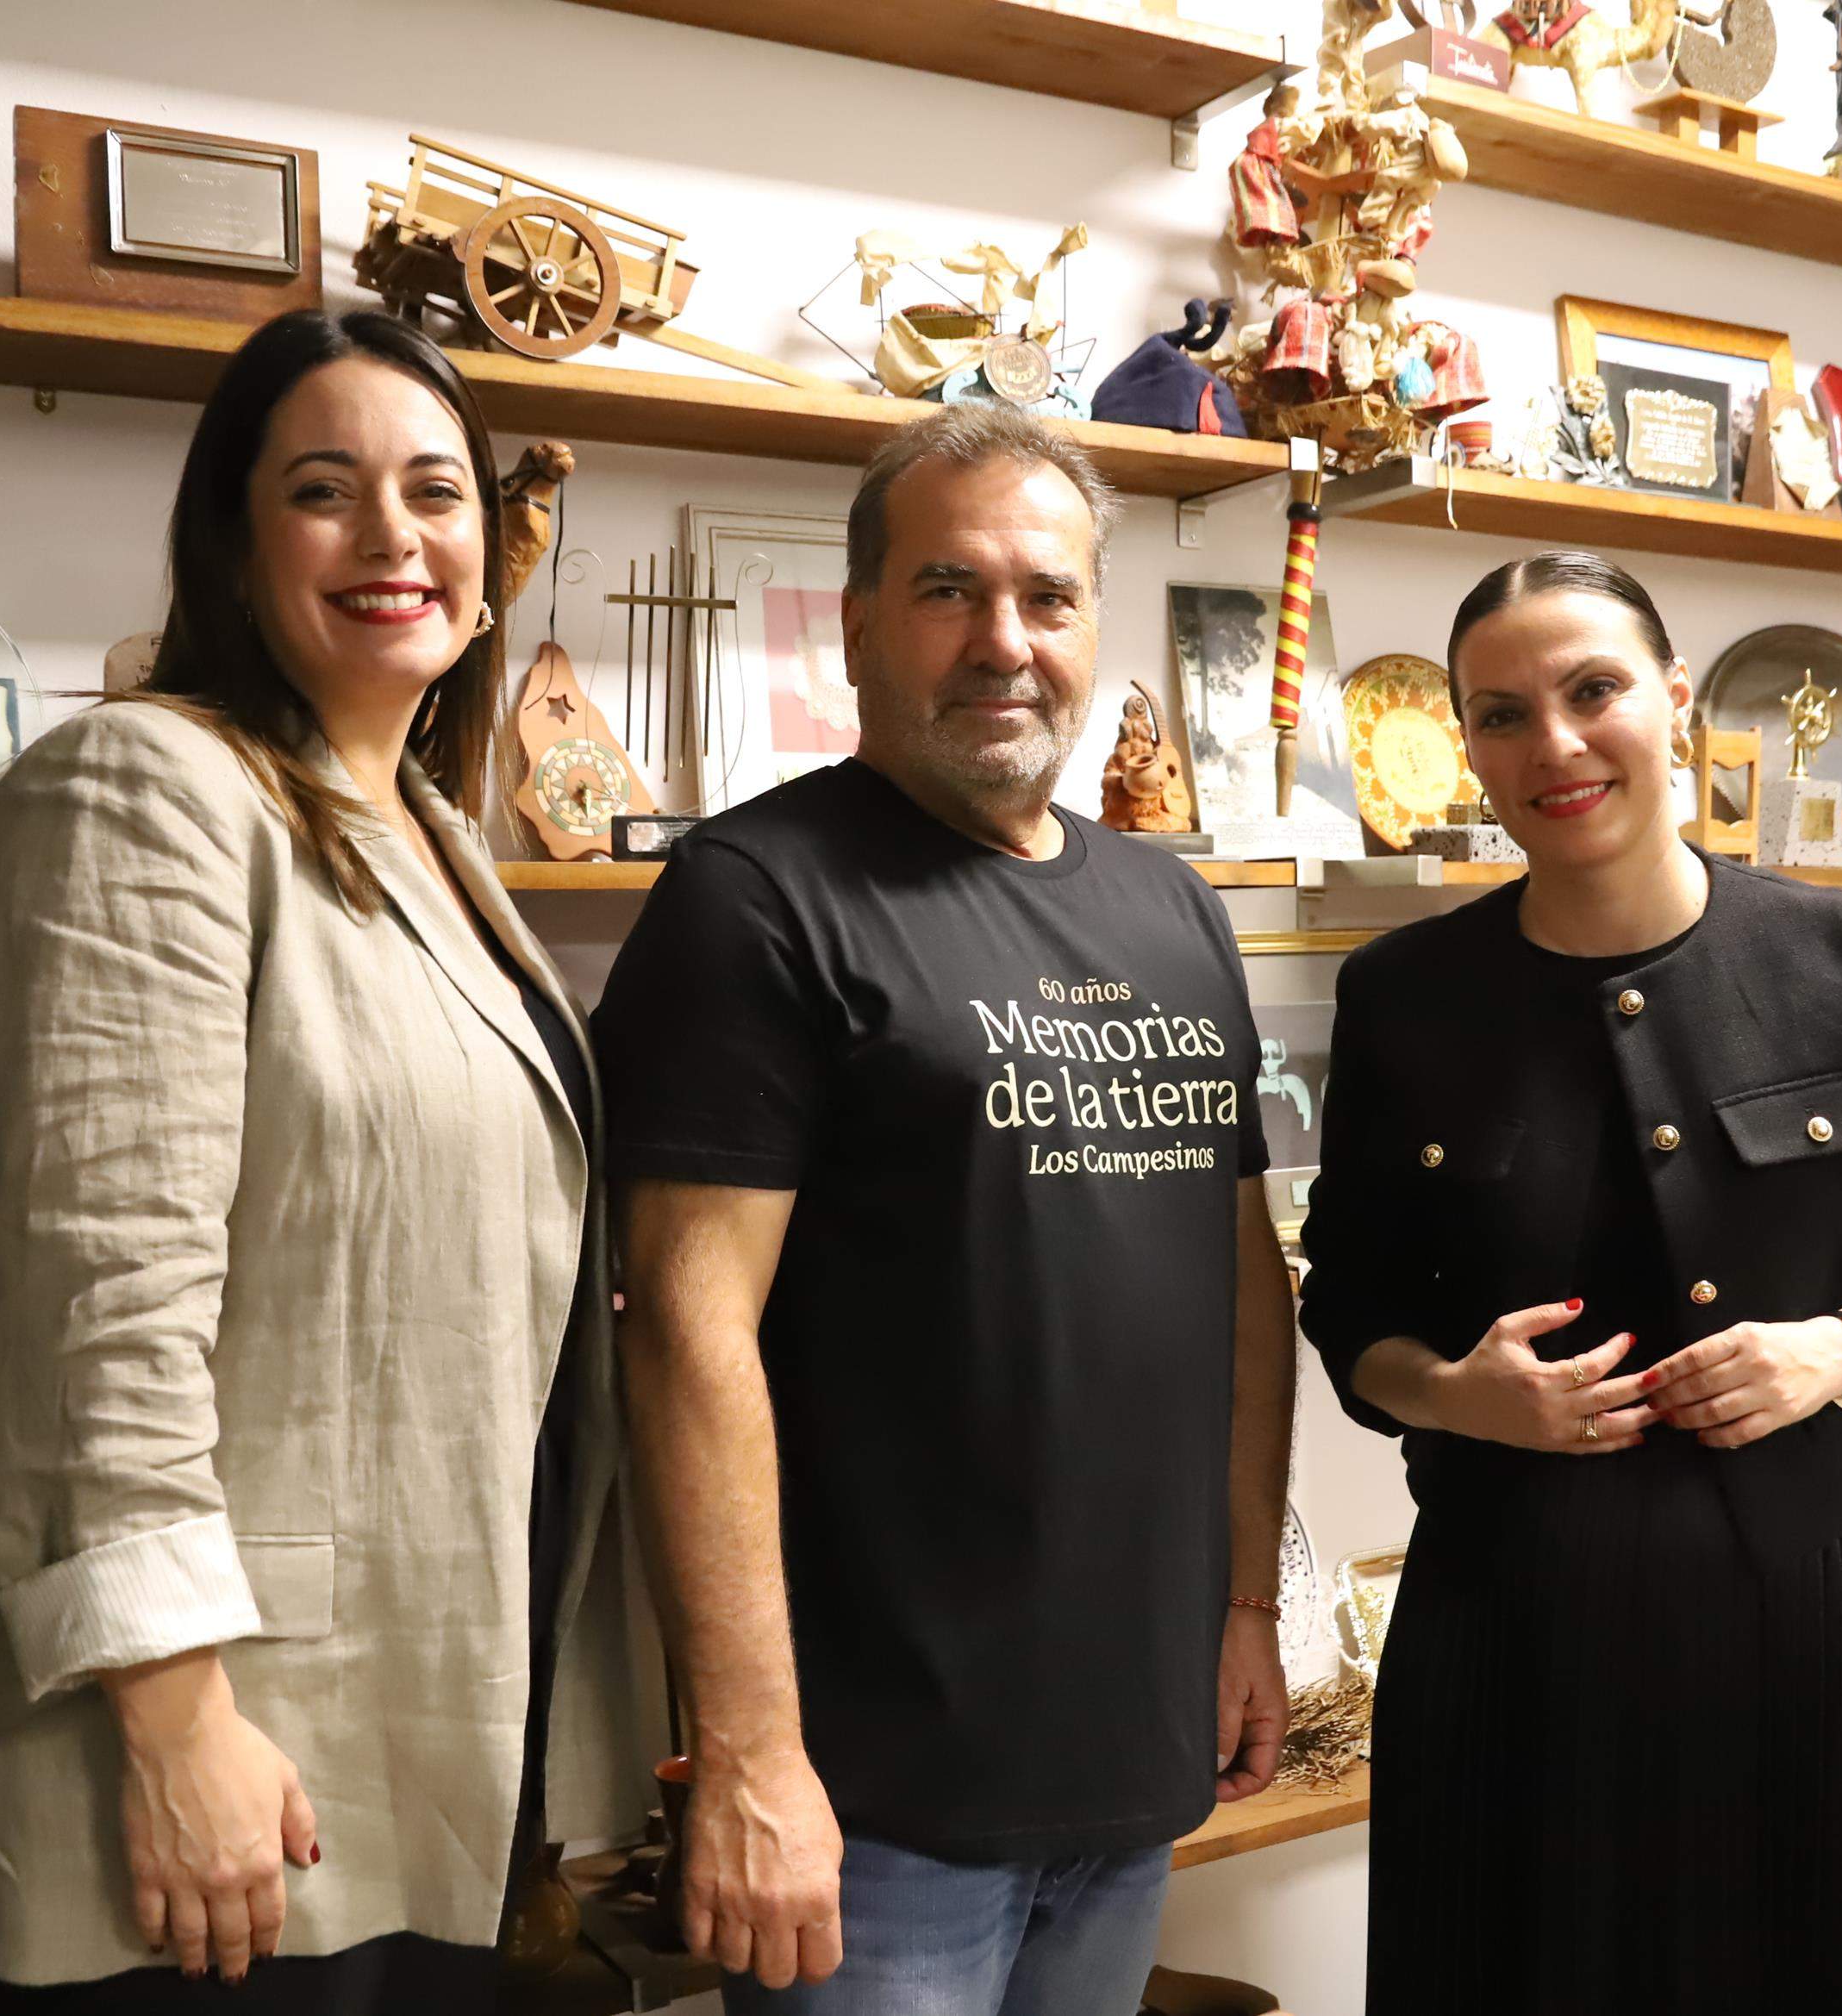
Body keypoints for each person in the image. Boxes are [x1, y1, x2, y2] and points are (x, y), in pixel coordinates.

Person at [0, 309, 646, 2011]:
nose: (397, 535)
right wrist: (177, 1725)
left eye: (437, 491)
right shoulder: (141, 788)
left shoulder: (436, 835)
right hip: (224, 1764)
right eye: (328, 489)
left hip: (418, 1717)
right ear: (235, 547)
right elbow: (98, 1310)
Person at [593, 404, 1298, 2014]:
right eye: (947, 592)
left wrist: (1245, 1604)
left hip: (1133, 1752)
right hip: (876, 1804)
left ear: (1093, 629)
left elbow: (1241, 1289)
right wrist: (751, 1751)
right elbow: (683, 1336)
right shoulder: (756, 897)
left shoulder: (1171, 903)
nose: (1005, 641)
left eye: (1047, 598)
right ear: (855, 627)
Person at [1298, 552, 1842, 2009]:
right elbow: (1348, 1302)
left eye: (1593, 691)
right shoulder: (1403, 998)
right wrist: (1454, 1396)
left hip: (1793, 1621)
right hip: (1505, 1628)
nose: (1553, 747)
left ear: (1676, 702)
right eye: (1500, 716)